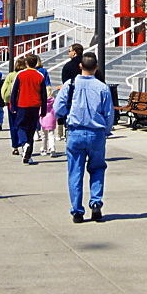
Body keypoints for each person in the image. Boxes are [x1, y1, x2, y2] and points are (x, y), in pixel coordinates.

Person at [54, 51, 114, 223]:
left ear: (80, 66)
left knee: (75, 171)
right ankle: (96, 203)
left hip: (75, 131)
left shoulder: (70, 84)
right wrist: (106, 131)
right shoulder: (103, 88)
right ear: (96, 67)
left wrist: (68, 115)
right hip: (96, 133)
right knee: (97, 168)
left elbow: (58, 108)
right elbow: (109, 114)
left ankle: (77, 211)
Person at [10, 54, 47, 164]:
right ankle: (28, 154)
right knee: (31, 129)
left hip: (23, 104)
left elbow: (14, 91)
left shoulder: (21, 74)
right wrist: (43, 109)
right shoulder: (40, 75)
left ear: (26, 63)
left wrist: (13, 105)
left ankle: (25, 143)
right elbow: (43, 94)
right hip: (35, 105)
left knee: (20, 126)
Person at [2, 57, 27, 155]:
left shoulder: (11, 75)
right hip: (23, 102)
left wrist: (6, 99)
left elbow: (5, 89)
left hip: (12, 103)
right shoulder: (24, 75)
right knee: (23, 124)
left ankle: (15, 146)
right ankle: (23, 142)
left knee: (13, 124)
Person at [39, 87, 57, 156]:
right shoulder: (54, 100)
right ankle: (52, 148)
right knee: (51, 135)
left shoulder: (42, 101)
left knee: (44, 136)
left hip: (44, 119)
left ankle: (43, 149)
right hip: (52, 118)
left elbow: (40, 111)